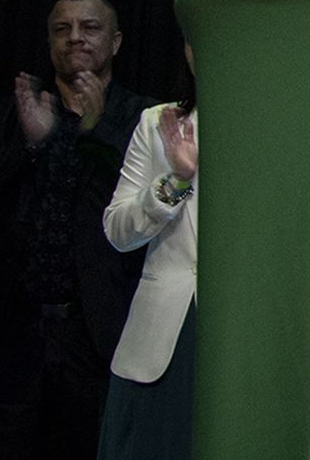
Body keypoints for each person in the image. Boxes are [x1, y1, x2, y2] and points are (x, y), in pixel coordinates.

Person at [0, 0, 153, 460]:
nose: (75, 38)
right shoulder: (12, 113)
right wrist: (30, 147)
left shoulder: (144, 117)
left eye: (89, 27)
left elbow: (152, 204)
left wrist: (97, 129)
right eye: (61, 29)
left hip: (96, 334)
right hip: (15, 333)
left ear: (116, 41)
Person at [97, 70, 197, 460]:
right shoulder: (159, 121)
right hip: (164, 331)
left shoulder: (278, 125)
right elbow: (118, 230)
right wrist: (176, 180)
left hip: (246, 333)